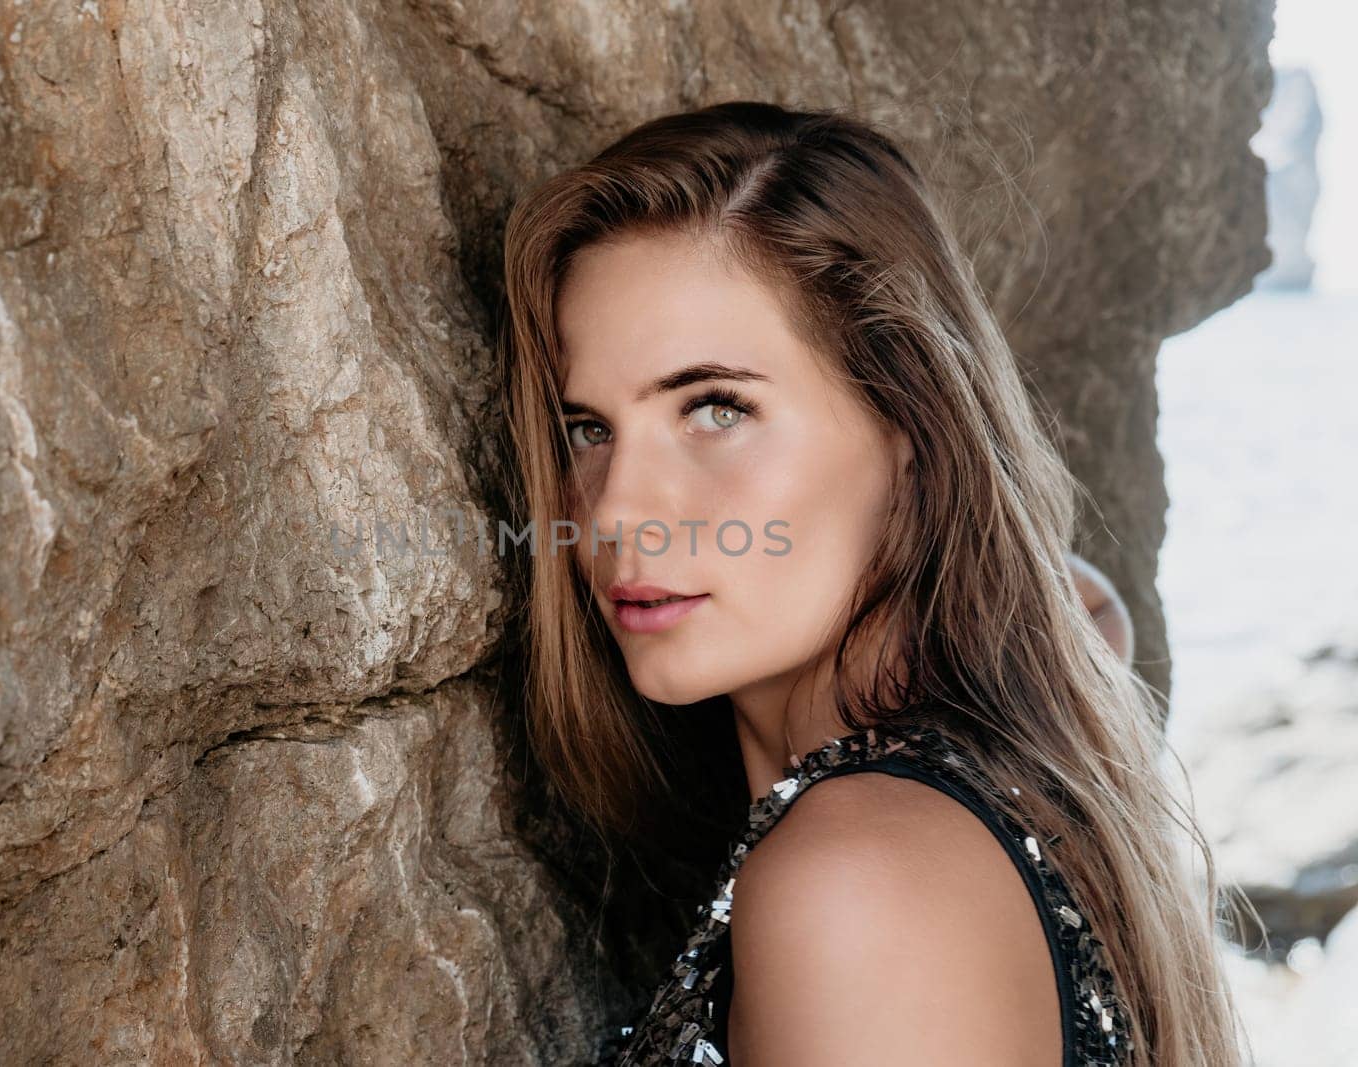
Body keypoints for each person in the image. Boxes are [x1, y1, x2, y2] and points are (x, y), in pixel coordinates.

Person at [494, 102, 1246, 1065]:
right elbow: (1089, 604)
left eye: (715, 407)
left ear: (912, 428)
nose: (611, 515)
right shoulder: (1048, 702)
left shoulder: (853, 884)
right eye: (589, 429)